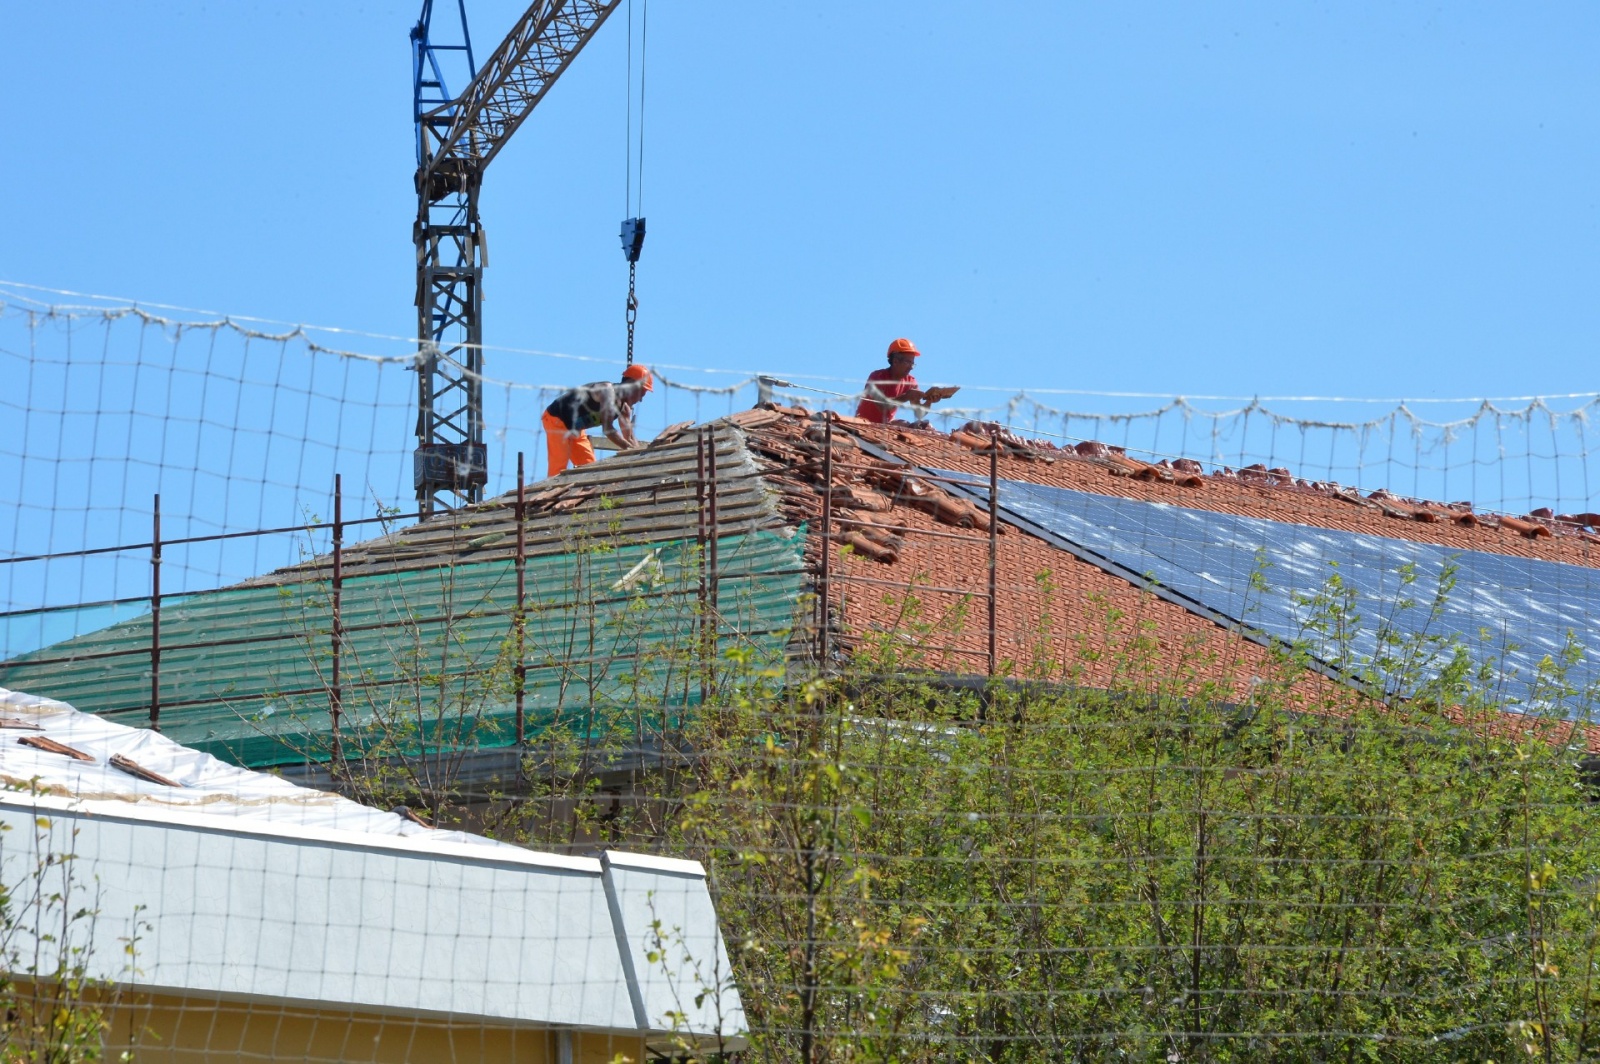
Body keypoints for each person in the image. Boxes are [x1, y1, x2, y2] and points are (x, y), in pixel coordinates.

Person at [541, 364, 653, 477]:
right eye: (641, 393)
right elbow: (608, 429)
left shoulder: (624, 409)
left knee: (590, 470)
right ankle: (550, 492)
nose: (641, 400)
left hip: (576, 429)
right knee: (558, 470)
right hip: (557, 420)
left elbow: (629, 437)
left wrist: (640, 456)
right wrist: (630, 450)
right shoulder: (607, 391)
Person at [854, 338, 953, 424]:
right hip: (863, 423)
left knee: (922, 427)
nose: (911, 367)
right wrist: (906, 396)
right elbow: (883, 407)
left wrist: (929, 401)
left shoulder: (910, 382)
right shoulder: (877, 377)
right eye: (908, 362)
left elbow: (919, 414)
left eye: (912, 363)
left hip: (887, 425)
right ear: (895, 361)